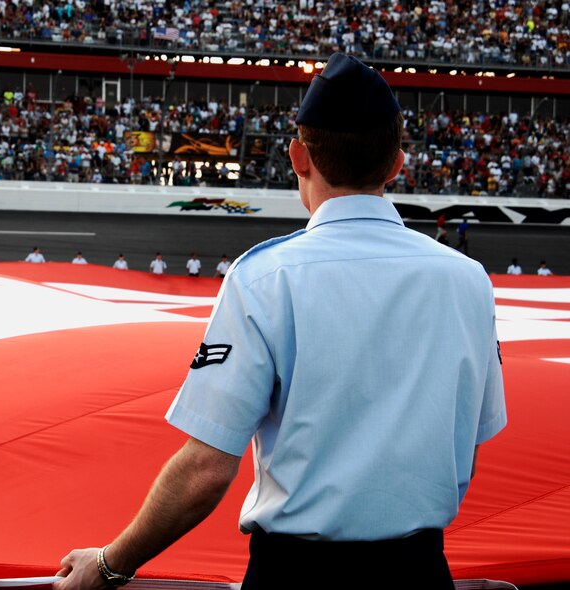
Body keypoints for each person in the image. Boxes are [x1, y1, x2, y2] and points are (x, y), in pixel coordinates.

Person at [54, 53, 506, 590]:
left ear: (297, 156)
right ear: (396, 165)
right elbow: (466, 447)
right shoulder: (468, 280)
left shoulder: (265, 278)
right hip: (421, 574)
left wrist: (110, 565)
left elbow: (206, 468)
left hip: (295, 576)